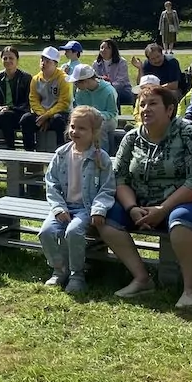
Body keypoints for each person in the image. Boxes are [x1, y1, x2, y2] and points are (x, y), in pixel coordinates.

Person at [99, 82, 192, 308]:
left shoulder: (189, 135)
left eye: (153, 104)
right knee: (104, 216)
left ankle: (191, 289)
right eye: (142, 104)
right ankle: (142, 278)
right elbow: (119, 178)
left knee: (181, 219)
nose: (146, 109)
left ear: (169, 109)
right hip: (141, 206)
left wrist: (163, 209)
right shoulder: (131, 138)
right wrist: (132, 208)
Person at [39, 107, 117, 294]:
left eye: (82, 128)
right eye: (73, 126)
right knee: (46, 232)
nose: (75, 131)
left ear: (94, 132)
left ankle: (77, 275)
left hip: (85, 208)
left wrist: (99, 209)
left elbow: (107, 189)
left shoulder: (101, 158)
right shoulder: (61, 154)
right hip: (64, 206)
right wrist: (58, 208)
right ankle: (59, 269)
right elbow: (51, 183)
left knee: (73, 232)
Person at [0, 46, 32, 150]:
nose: (8, 61)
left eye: (11, 58)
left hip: (19, 113)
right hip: (2, 112)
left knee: (4, 115)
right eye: (5, 58)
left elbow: (27, 102)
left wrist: (10, 108)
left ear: (17, 60)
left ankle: (10, 148)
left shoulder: (26, 78)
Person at [23, 47, 69, 151]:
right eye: (42, 60)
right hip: (42, 114)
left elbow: (64, 103)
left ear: (55, 64)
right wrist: (43, 115)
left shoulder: (63, 78)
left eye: (48, 61)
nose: (43, 63)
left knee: (58, 120)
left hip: (60, 113)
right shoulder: (36, 79)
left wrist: (47, 116)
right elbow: (33, 100)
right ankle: (29, 152)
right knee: (26, 119)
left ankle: (61, 152)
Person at [69, 64, 119, 152]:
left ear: (86, 81)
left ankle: (102, 153)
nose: (75, 85)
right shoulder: (79, 91)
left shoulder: (108, 91)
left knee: (100, 126)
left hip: (108, 120)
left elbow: (112, 112)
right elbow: (79, 108)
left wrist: (96, 115)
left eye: (76, 83)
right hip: (87, 118)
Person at [95, 38, 134, 106]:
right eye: (102, 48)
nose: (104, 50)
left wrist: (108, 88)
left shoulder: (122, 62)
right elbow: (96, 79)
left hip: (123, 90)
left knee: (113, 94)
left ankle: (115, 112)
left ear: (113, 50)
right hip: (102, 91)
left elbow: (121, 82)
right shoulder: (96, 64)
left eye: (107, 48)